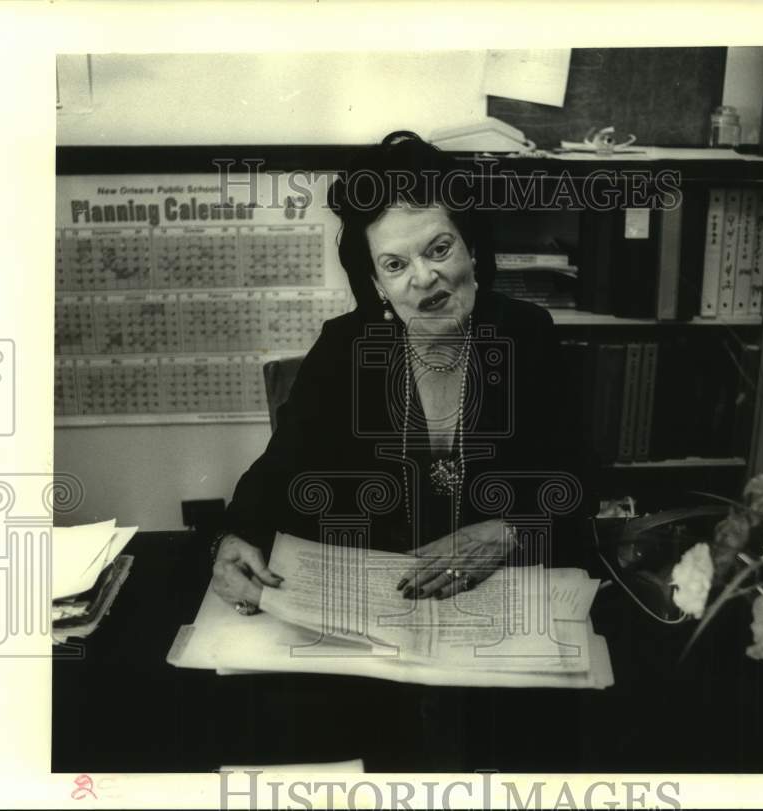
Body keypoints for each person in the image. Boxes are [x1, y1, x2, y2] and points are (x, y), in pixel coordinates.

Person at [212, 132, 595, 615]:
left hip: (495, 600)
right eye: (396, 264)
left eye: (439, 249)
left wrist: (511, 529)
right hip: (380, 609)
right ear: (377, 284)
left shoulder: (526, 334)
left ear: (471, 249)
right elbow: (279, 472)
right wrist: (232, 539)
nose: (423, 277)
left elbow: (579, 477)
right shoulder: (345, 349)